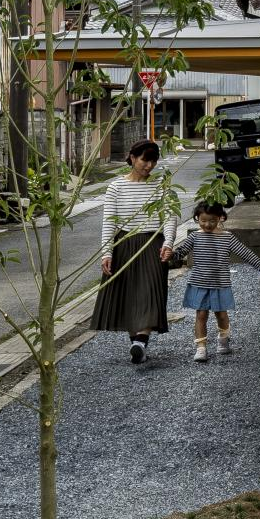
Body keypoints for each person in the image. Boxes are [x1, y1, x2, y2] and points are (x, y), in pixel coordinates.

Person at [91, 139, 176, 364]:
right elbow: (109, 222)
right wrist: (106, 253)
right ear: (132, 158)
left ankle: (140, 342)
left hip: (152, 244)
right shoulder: (115, 187)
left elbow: (169, 216)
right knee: (129, 295)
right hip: (124, 243)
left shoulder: (160, 185)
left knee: (149, 293)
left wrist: (168, 243)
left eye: (153, 161)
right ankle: (137, 345)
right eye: (145, 160)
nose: (149, 166)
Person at [179, 199, 260, 361]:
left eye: (212, 221)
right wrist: (168, 255)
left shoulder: (227, 238)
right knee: (201, 315)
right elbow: (180, 251)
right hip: (199, 283)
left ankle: (223, 339)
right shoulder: (194, 237)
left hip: (220, 284)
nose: (207, 224)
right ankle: (201, 347)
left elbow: (245, 253)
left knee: (221, 314)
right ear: (197, 219)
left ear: (221, 218)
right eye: (203, 221)